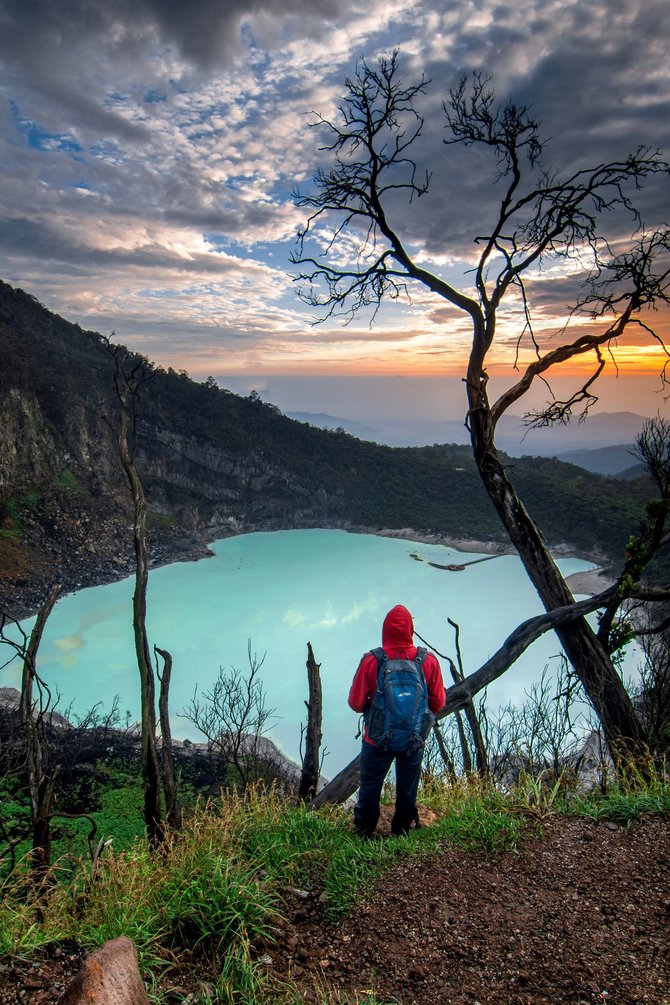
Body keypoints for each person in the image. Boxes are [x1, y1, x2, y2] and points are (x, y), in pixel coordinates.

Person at [348, 604, 445, 837]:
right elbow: (438, 704)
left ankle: (363, 832)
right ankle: (401, 830)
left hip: (377, 738)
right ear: (410, 629)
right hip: (413, 737)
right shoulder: (428, 661)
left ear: (385, 629)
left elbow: (355, 703)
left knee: (370, 786)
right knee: (408, 787)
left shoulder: (373, 660)